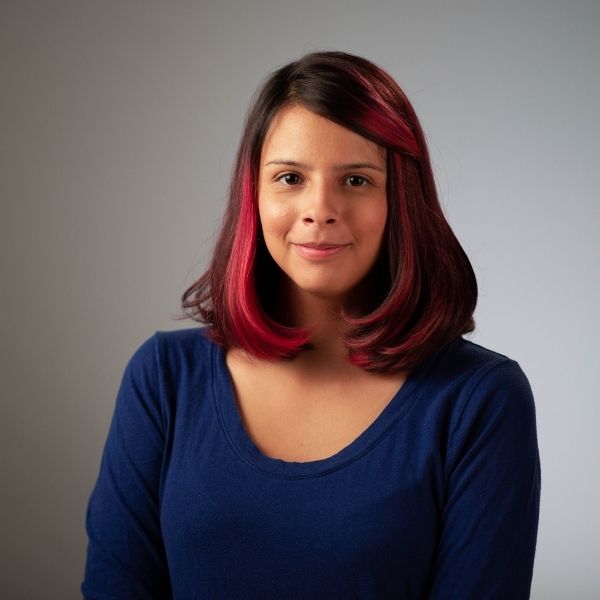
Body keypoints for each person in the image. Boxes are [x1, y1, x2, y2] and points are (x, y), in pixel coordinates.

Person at [82, 51, 541, 599]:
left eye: (355, 179)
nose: (320, 209)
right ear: (254, 194)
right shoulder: (163, 379)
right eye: (290, 177)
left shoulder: (479, 400)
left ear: (401, 200)